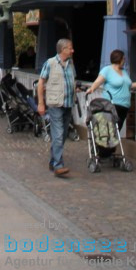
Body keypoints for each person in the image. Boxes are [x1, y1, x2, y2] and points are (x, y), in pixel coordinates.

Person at [37, 38, 76, 178]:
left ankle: (53, 160)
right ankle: (58, 166)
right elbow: (41, 83)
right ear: (63, 49)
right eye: (70, 48)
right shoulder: (50, 63)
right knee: (58, 135)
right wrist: (41, 103)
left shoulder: (71, 64)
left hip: (68, 104)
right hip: (55, 104)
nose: (72, 50)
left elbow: (72, 82)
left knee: (63, 134)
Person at [86, 49, 136, 132]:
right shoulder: (107, 70)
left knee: (116, 131)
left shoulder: (124, 71)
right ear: (119, 59)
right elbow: (98, 81)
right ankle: (103, 144)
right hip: (112, 105)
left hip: (124, 106)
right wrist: (91, 88)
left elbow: (130, 86)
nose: (124, 61)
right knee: (110, 130)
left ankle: (112, 145)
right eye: (124, 58)